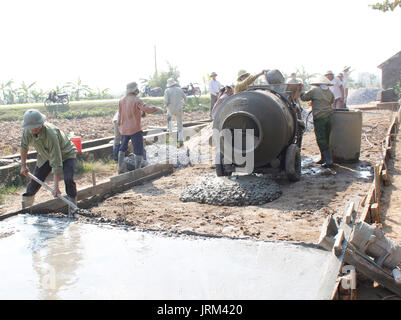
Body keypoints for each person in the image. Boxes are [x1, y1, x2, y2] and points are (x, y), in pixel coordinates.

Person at [19, 109, 78, 211]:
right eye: (32, 128)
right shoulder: (27, 131)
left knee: (68, 179)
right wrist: (23, 165)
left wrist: (56, 187)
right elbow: (24, 147)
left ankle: (73, 208)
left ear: (41, 123)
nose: (34, 130)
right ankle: (26, 209)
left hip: (66, 154)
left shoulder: (50, 133)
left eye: (36, 127)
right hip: (45, 156)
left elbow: (56, 160)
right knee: (34, 182)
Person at [118, 82, 160, 173]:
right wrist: (156, 108)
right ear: (135, 90)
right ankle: (138, 170)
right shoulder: (136, 100)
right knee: (138, 149)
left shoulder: (121, 100)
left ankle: (120, 168)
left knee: (122, 148)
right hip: (135, 129)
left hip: (124, 129)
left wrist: (119, 125)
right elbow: (147, 110)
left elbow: (120, 115)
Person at [300, 75, 335, 168]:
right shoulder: (330, 92)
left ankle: (328, 160)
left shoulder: (315, 90)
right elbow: (331, 101)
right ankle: (324, 158)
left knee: (321, 138)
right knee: (327, 138)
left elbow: (303, 98)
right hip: (329, 116)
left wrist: (301, 90)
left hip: (320, 118)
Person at [164, 78, 187, 148]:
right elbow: (185, 97)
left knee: (169, 118)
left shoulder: (167, 91)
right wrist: (184, 102)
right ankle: (180, 140)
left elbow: (166, 101)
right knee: (179, 125)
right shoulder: (179, 89)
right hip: (179, 108)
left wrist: (165, 106)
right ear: (174, 83)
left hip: (170, 109)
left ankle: (170, 132)